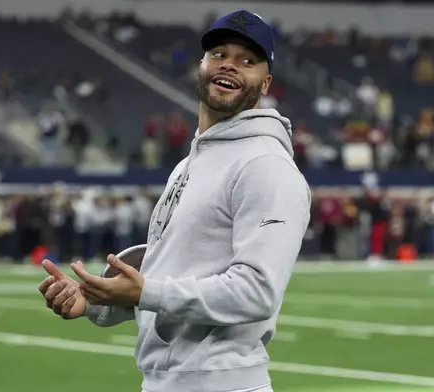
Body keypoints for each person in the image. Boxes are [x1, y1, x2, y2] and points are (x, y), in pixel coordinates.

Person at [37, 9, 310, 392]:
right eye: (219, 55)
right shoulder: (188, 163)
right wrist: (95, 299)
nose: (229, 66)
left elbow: (257, 291)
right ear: (200, 65)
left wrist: (145, 291)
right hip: (167, 381)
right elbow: (176, 265)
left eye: (246, 61)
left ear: (264, 84)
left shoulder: (266, 165)